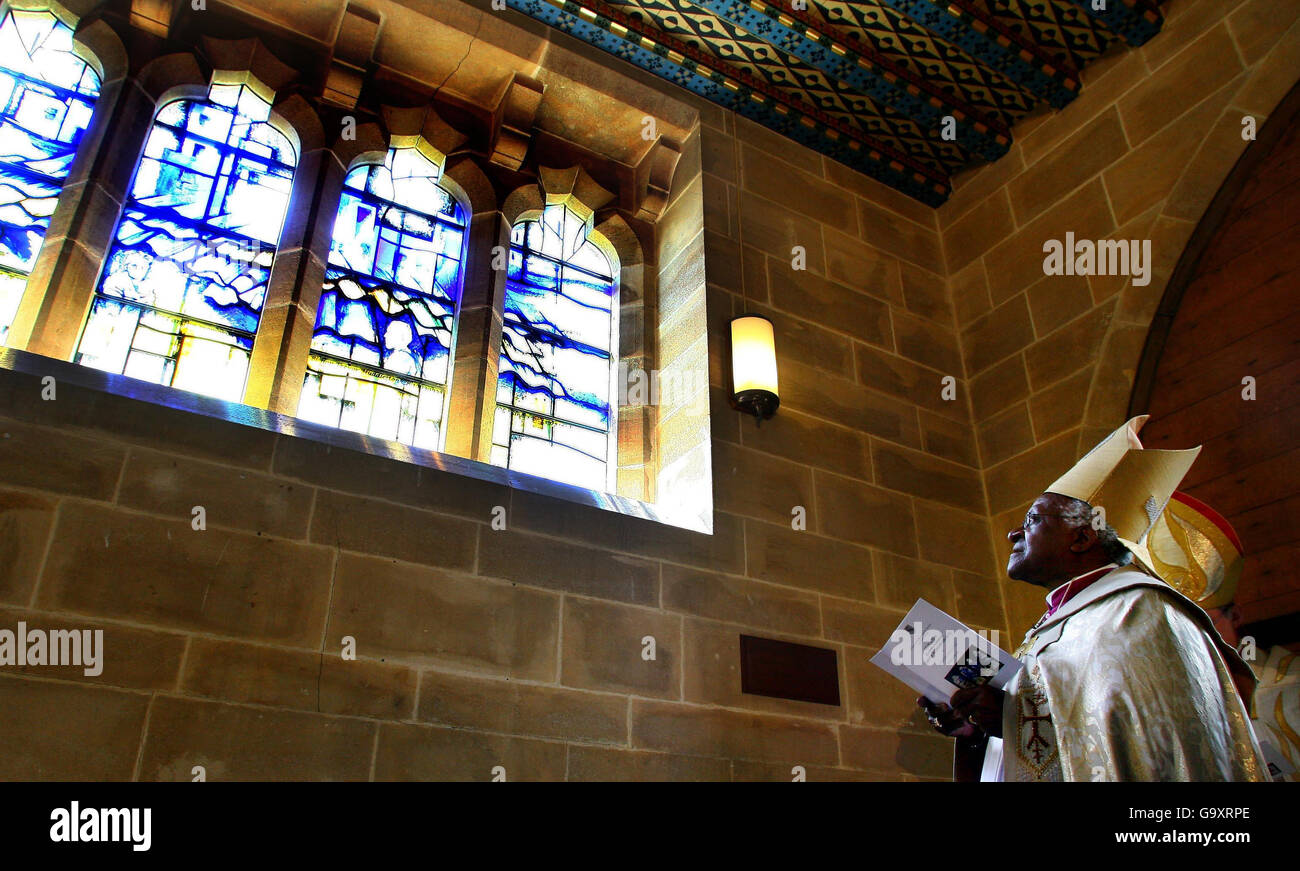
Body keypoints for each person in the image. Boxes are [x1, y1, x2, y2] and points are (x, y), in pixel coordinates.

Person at [919, 415, 1268, 781]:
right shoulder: (1062, 622)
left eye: (1033, 520)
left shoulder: (1138, 614)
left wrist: (1013, 719)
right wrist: (976, 729)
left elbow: (1148, 750)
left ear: (1082, 539)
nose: (1012, 534)